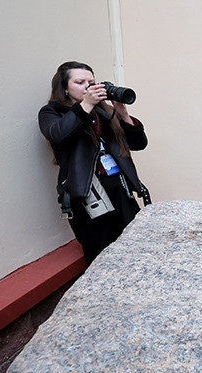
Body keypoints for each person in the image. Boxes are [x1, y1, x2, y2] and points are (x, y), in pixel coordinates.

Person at [39, 61, 151, 264]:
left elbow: (138, 143)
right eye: (80, 82)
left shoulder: (104, 111)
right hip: (87, 194)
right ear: (64, 88)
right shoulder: (52, 113)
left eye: (91, 81)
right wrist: (86, 105)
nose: (88, 86)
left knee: (136, 248)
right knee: (101, 255)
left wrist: (122, 113)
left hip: (119, 188)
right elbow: (57, 135)